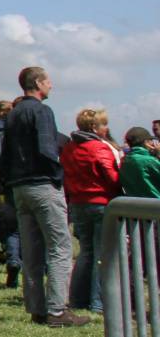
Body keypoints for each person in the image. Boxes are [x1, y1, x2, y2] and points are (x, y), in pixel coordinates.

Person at [2, 66, 87, 325]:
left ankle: (36, 308)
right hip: (42, 184)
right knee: (60, 247)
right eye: (48, 81)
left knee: (32, 251)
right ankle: (58, 310)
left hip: (20, 187)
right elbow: (47, 148)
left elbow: (3, 154)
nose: (51, 85)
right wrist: (57, 176)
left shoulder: (14, 113)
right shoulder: (42, 111)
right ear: (38, 83)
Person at [62, 107, 121, 315]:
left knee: (85, 253)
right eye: (104, 124)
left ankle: (77, 298)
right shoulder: (99, 148)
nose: (107, 128)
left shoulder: (69, 148)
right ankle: (97, 302)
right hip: (100, 203)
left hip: (78, 203)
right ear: (94, 127)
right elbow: (112, 178)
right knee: (101, 254)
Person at [0, 98, 21, 286]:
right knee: (27, 227)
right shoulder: (16, 133)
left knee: (12, 230)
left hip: (4, 185)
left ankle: (13, 260)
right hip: (22, 183)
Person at [124, 127, 160, 199]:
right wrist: (158, 155)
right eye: (151, 140)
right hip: (155, 204)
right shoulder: (149, 161)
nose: (152, 143)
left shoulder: (124, 161)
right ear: (146, 142)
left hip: (136, 205)